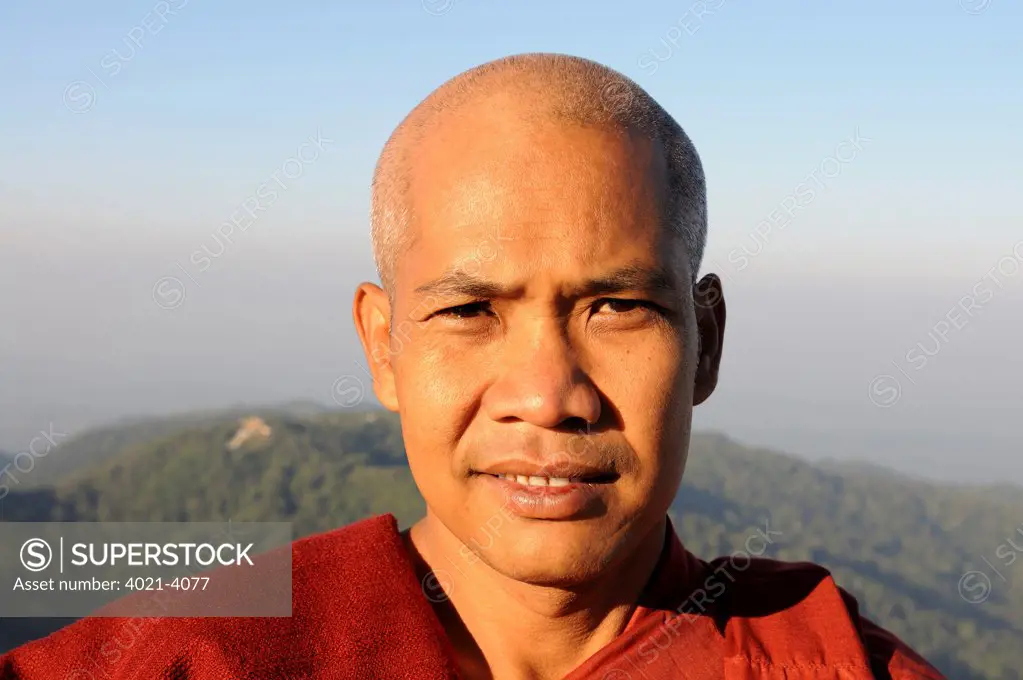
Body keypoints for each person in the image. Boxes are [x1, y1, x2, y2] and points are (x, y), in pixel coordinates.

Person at [0, 53, 944, 680]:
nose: (548, 394)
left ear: (707, 341)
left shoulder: (816, 661)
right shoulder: (196, 658)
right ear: (383, 347)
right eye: (467, 311)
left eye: (616, 306)